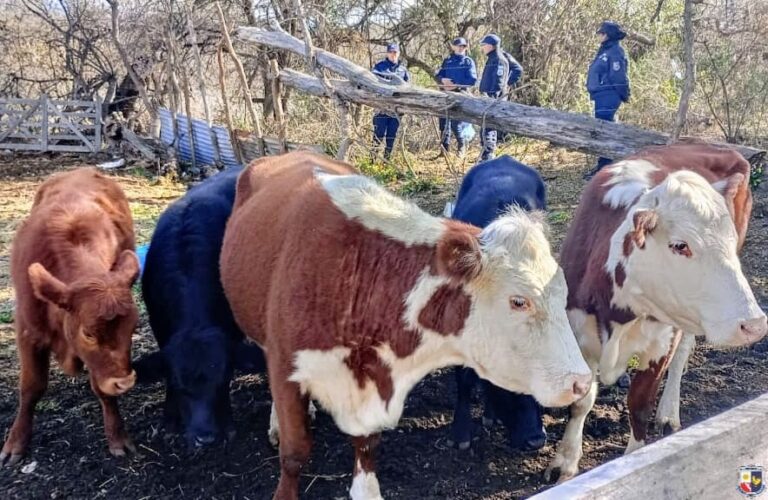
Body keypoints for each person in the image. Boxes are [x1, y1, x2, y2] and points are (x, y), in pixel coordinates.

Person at [583, 21, 630, 180]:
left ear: (608, 35)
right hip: (601, 96)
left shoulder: (615, 51)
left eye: (601, 33)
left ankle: (605, 169)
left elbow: (618, 76)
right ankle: (603, 165)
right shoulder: (605, 50)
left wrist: (624, 94)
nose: (599, 36)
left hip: (609, 96)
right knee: (603, 130)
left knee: (604, 131)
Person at [478, 34, 523, 161]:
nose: (483, 47)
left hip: (493, 97)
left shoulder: (499, 59)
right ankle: (485, 153)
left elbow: (497, 81)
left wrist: (493, 94)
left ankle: (489, 153)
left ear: (491, 46)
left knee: (489, 124)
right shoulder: (492, 58)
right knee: (485, 124)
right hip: (488, 96)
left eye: (484, 45)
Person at [435, 37, 477, 156]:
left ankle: (461, 146)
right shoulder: (447, 60)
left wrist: (454, 83)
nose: (460, 48)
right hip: (445, 95)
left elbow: (472, 80)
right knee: (443, 122)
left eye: (463, 46)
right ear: (453, 47)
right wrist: (442, 80)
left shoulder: (468, 62)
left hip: (460, 95)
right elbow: (439, 74)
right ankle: (444, 151)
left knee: (456, 123)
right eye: (458, 45)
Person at [371, 43, 410, 160]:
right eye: (391, 52)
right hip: (381, 108)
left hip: (396, 110)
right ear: (387, 53)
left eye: (395, 52)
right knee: (378, 135)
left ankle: (386, 162)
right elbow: (371, 82)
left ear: (398, 54)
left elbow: (408, 89)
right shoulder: (379, 67)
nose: (393, 55)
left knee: (391, 136)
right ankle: (372, 161)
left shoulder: (403, 70)